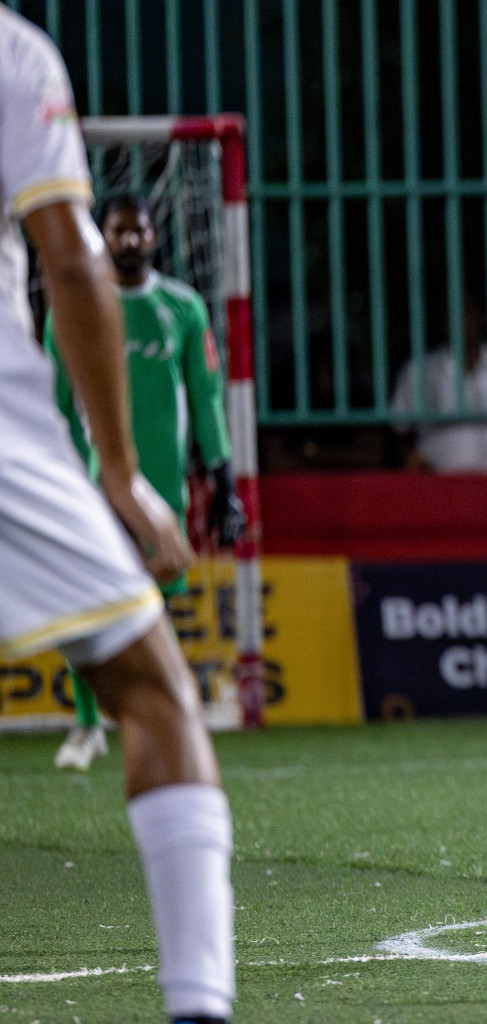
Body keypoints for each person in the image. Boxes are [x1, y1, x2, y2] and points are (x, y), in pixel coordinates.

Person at [0, 10, 235, 1022]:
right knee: (156, 690)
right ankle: (199, 1005)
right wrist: (122, 471)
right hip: (9, 438)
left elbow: (205, 397)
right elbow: (69, 256)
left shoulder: (179, 309)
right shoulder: (15, 54)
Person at [44, 193, 246, 771]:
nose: (129, 240)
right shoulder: (75, 307)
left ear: (154, 236)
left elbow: (205, 399)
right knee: (84, 601)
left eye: (138, 230)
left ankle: (166, 717)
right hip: (92, 484)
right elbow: (57, 403)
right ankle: (87, 726)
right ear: (102, 236)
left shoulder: (182, 308)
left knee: (159, 607)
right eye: (118, 230)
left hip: (162, 487)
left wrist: (223, 478)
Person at [390, 297, 487, 472]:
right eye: (451, 314)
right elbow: (399, 428)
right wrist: (412, 462)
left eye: (466, 312)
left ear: (482, 317)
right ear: (442, 322)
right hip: (435, 480)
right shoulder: (418, 370)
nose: (459, 320)